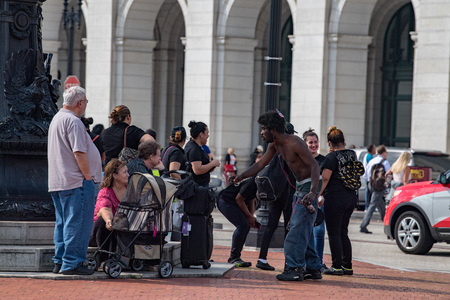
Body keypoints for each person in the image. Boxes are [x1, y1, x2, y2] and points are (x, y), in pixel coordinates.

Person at [234, 110, 321, 282]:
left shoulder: (294, 142)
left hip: (307, 188)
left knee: (295, 230)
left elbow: (315, 166)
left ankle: (294, 268)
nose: (261, 132)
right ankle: (313, 268)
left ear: (273, 129)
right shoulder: (274, 146)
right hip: (299, 188)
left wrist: (312, 192)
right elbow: (260, 165)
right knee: (304, 229)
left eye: (264, 128)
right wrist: (241, 176)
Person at [47, 86, 102, 275]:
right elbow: (79, 151)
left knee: (63, 222)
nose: (86, 105)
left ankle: (60, 260)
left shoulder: (57, 118)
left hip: (59, 180)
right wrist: (88, 177)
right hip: (76, 181)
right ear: (80, 103)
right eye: (85, 102)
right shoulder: (74, 122)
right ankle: (72, 262)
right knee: (78, 223)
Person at [317, 126, 357, 276]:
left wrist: (317, 194)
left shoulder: (331, 157)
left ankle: (336, 266)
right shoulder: (352, 154)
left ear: (330, 143)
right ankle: (347, 266)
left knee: (333, 232)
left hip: (335, 197)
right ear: (343, 140)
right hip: (350, 196)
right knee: (343, 232)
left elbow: (325, 178)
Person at [255, 123, 296, 271]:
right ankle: (288, 263)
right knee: (288, 227)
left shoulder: (273, 146)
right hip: (287, 191)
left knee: (271, 225)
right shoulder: (289, 148)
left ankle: (262, 258)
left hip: (274, 191)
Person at [89, 159, 128, 261]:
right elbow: (105, 209)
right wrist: (108, 221)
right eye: (124, 172)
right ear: (115, 175)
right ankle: (105, 259)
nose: (128, 175)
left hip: (123, 229)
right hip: (100, 232)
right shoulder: (105, 192)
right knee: (104, 222)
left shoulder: (130, 191)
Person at [217, 177, 258, 267]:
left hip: (235, 201)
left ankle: (236, 256)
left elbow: (251, 199)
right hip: (226, 200)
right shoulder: (251, 182)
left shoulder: (260, 183)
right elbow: (239, 199)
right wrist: (249, 216)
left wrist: (251, 217)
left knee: (246, 225)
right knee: (242, 225)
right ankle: (233, 257)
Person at [303, 128, 327, 272]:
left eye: (315, 142)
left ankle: (318, 262)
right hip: (303, 199)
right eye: (310, 142)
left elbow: (325, 181)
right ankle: (307, 262)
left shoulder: (323, 160)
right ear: (305, 144)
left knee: (319, 231)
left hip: (319, 200)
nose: (313, 145)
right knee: (305, 232)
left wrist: (321, 195)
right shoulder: (302, 160)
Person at [161, 126, 188, 241]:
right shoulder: (177, 152)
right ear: (185, 139)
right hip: (176, 192)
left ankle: (176, 239)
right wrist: (185, 182)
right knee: (179, 218)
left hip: (166, 190)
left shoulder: (166, 149)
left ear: (171, 137)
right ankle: (181, 241)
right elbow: (173, 172)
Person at [360, 145, 390, 234]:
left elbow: (365, 174)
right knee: (373, 205)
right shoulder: (384, 162)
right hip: (379, 186)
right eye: (386, 152)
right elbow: (388, 174)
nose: (386, 154)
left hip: (370, 184)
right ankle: (363, 225)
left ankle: (386, 221)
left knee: (380, 203)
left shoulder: (372, 160)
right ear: (383, 153)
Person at [184, 121, 220, 186]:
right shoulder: (194, 149)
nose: (208, 136)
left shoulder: (193, 146)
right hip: (197, 189)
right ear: (201, 134)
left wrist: (211, 166)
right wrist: (212, 164)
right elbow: (197, 170)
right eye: (207, 133)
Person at [363, 144, 376, 211]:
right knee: (369, 192)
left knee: (368, 191)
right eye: (374, 148)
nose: (375, 150)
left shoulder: (367, 155)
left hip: (367, 177)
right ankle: (367, 206)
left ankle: (368, 206)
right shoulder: (369, 156)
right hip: (369, 177)